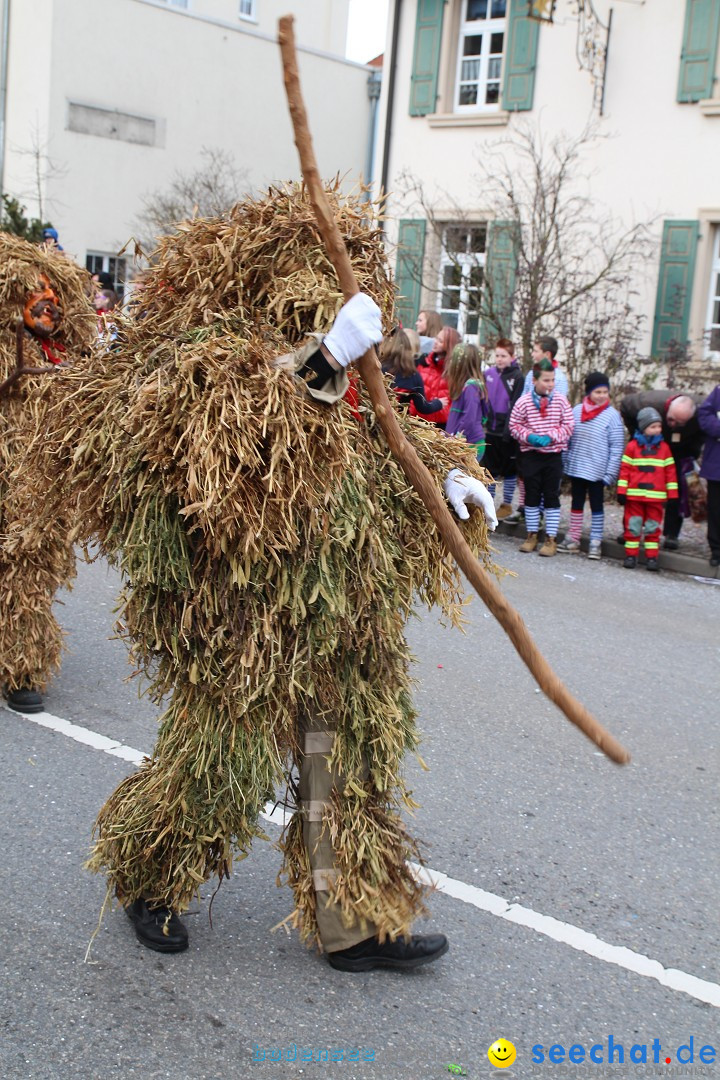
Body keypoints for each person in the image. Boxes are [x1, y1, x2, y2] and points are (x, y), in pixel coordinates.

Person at [43, 185, 498, 972]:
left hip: (347, 611)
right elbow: (226, 454)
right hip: (248, 620)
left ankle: (353, 919)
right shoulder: (209, 361)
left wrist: (448, 477)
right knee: (224, 762)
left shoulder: (358, 379)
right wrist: (318, 356)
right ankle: (150, 875)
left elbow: (382, 448)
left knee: (349, 761)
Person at [0, 234, 94, 713]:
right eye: (35, 294)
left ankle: (23, 667)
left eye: (54, 296)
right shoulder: (6, 346)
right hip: (7, 468)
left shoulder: (65, 355)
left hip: (39, 487)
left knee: (30, 573)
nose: (48, 305)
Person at [619, 390, 703, 549]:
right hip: (646, 444)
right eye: (671, 420)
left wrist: (691, 450)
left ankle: (671, 534)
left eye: (679, 422)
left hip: (680, 449)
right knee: (635, 489)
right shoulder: (644, 402)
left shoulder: (700, 411)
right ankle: (630, 531)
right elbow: (624, 406)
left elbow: (703, 431)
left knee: (677, 490)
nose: (673, 424)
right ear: (667, 410)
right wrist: (637, 435)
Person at [509, 358, 574, 557]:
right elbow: (514, 425)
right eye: (546, 380)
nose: (550, 384)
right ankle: (531, 535)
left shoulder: (561, 401)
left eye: (552, 380)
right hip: (531, 455)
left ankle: (551, 538)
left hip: (553, 455)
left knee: (551, 495)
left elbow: (569, 426)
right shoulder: (525, 402)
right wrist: (529, 436)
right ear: (535, 380)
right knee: (532, 495)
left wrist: (550, 437)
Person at [559, 371, 625, 560]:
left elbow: (616, 446)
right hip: (577, 466)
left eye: (605, 392)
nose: (602, 395)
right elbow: (568, 438)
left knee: (597, 506)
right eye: (598, 392)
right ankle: (573, 537)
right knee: (576, 503)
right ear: (589, 393)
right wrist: (565, 461)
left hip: (598, 471)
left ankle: (596, 541)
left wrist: (610, 474)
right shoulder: (577, 411)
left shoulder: (612, 416)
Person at [617, 407, 678, 571]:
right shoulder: (632, 447)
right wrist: (621, 491)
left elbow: (670, 472)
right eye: (653, 426)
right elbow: (625, 470)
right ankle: (631, 555)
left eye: (659, 426)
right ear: (643, 428)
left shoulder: (664, 448)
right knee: (633, 526)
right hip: (634, 497)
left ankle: (652, 558)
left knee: (653, 528)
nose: (657, 429)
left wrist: (672, 494)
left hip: (655, 498)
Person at [483, 338, 523, 519]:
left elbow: (515, 404)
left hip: (506, 431)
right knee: (489, 470)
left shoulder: (517, 377)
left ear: (512, 357)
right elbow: (483, 398)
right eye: (497, 355)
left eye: (503, 356)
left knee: (509, 470)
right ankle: (488, 502)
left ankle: (506, 504)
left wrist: (509, 429)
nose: (499, 359)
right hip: (490, 429)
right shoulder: (488, 373)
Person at [379, 328, 446, 417]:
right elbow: (423, 407)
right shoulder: (413, 375)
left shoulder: (379, 365)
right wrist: (439, 403)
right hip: (397, 422)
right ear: (414, 350)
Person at [444, 343, 488, 462]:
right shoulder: (466, 386)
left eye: (454, 359)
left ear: (461, 364)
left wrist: (459, 437)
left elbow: (470, 417)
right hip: (463, 444)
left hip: (470, 445)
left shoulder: (471, 387)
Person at [409, 325, 459, 428]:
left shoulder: (454, 371)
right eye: (436, 338)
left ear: (448, 345)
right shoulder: (422, 362)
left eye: (440, 341)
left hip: (439, 425)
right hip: (416, 420)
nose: (435, 342)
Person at [697, 384, 720, 568]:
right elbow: (704, 414)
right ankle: (716, 549)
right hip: (717, 465)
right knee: (715, 509)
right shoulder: (719, 392)